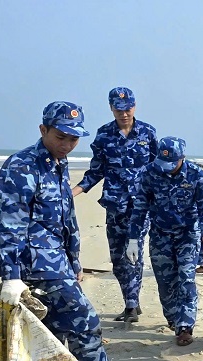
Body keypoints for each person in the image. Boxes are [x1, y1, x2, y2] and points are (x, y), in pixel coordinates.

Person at [0, 101, 136, 361]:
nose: (68, 144)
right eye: (61, 136)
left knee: (46, 333)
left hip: (57, 262)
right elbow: (9, 226)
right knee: (86, 323)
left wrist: (74, 262)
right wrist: (11, 276)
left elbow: (64, 219)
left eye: (74, 139)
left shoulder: (58, 164)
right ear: (43, 130)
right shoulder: (21, 167)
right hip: (36, 263)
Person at [71, 87, 157, 323]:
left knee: (134, 250)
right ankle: (130, 299)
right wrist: (74, 191)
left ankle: (131, 304)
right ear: (111, 108)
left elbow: (158, 169)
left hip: (141, 205)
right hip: (115, 204)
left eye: (128, 108)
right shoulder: (103, 136)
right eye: (119, 109)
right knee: (118, 257)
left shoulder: (148, 133)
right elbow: (96, 171)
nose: (124, 113)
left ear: (135, 106)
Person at [127, 137, 203, 346]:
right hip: (160, 234)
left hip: (188, 234)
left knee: (186, 278)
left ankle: (185, 326)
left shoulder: (196, 175)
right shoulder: (149, 173)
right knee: (165, 283)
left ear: (182, 158)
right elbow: (140, 207)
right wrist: (132, 238)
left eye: (172, 164)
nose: (166, 169)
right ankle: (174, 319)